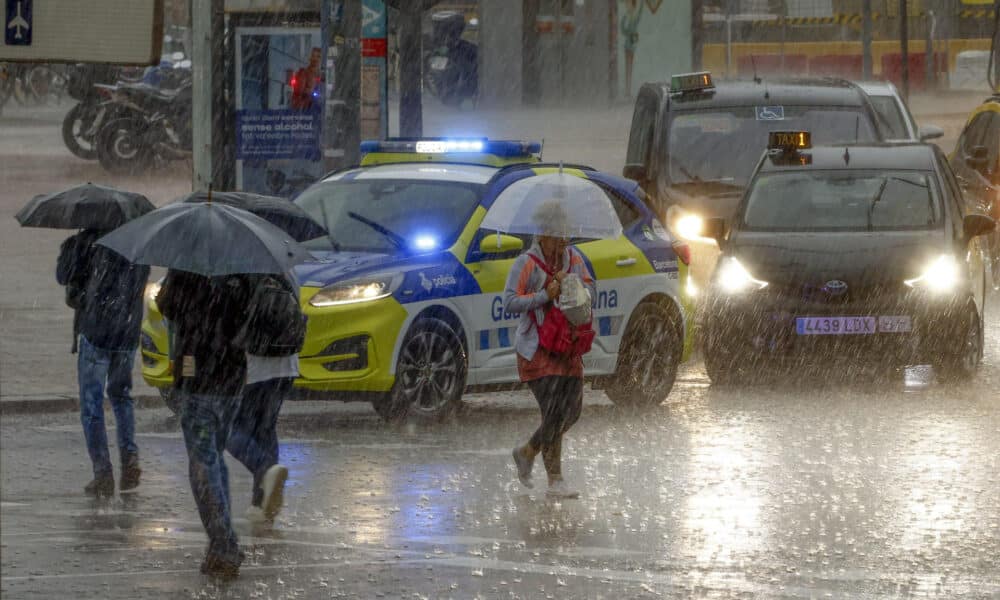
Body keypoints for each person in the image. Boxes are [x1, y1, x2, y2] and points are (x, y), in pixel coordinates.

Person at [157, 270, 251, 578]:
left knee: (203, 465)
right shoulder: (245, 267)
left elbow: (167, 305)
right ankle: (219, 545)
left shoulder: (188, 267)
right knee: (214, 460)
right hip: (233, 381)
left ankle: (224, 545)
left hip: (200, 380)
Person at [504, 203, 596, 499]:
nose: (563, 241)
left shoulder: (574, 259)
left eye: (565, 234)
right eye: (557, 235)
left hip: (567, 346)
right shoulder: (526, 264)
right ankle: (555, 481)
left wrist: (570, 285)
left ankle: (528, 450)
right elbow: (510, 301)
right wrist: (545, 294)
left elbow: (589, 290)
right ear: (542, 233)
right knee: (554, 411)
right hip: (537, 349)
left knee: (572, 411)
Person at [56, 228, 150, 497]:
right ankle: (129, 456)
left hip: (96, 332)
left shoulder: (88, 243)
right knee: (121, 396)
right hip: (127, 334)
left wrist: (73, 245)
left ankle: (102, 472)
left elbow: (63, 276)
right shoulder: (137, 244)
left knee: (91, 404)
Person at [226, 271, 303, 525]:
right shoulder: (285, 269)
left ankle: (264, 471)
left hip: (254, 365)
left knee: (226, 429)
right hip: (287, 363)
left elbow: (230, 322)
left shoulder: (239, 272)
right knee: (265, 429)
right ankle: (261, 502)